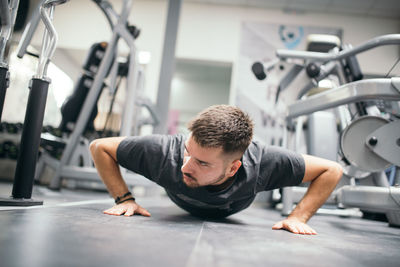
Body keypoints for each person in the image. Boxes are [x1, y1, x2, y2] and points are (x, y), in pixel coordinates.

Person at [90, 105, 342, 235]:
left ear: (233, 168)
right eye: (188, 152)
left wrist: (298, 217)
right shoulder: (163, 152)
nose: (185, 166)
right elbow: (100, 146)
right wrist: (125, 198)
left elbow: (331, 170)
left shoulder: (265, 162)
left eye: (202, 163)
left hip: (234, 209)